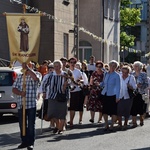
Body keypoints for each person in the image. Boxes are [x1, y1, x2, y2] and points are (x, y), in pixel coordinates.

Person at [12, 62, 40, 150]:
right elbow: (14, 89)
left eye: (29, 65)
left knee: (31, 124)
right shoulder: (20, 76)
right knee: (22, 124)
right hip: (22, 104)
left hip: (31, 103)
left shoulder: (37, 74)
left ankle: (30, 143)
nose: (26, 66)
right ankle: (24, 141)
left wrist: (27, 69)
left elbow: (36, 78)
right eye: (25, 65)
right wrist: (20, 93)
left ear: (32, 66)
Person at [42, 60, 69, 134]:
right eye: (55, 66)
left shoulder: (66, 75)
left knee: (62, 113)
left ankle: (60, 129)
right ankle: (57, 126)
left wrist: (66, 85)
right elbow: (44, 84)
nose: (57, 68)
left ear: (61, 66)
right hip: (52, 96)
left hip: (63, 96)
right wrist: (44, 92)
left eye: (58, 66)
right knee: (53, 113)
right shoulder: (51, 75)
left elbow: (71, 85)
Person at [101, 60, 121, 131]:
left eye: (114, 66)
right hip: (105, 93)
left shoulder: (117, 75)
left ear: (116, 67)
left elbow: (118, 87)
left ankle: (112, 124)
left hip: (113, 94)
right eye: (111, 66)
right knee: (104, 110)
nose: (112, 67)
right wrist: (99, 84)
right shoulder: (106, 74)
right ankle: (106, 124)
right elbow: (104, 83)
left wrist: (118, 97)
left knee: (113, 111)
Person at [117, 65, 137, 130]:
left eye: (126, 72)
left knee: (127, 110)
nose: (124, 74)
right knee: (119, 110)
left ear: (129, 72)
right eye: (123, 72)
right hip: (119, 96)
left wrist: (130, 86)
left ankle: (125, 123)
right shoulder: (119, 76)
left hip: (128, 96)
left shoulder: (131, 77)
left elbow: (134, 87)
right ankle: (120, 123)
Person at [130, 61, 148, 127]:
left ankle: (141, 120)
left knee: (141, 108)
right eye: (134, 66)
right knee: (133, 108)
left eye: (137, 66)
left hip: (141, 93)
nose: (135, 67)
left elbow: (147, 84)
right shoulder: (131, 74)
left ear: (140, 67)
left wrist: (141, 86)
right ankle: (134, 122)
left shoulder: (144, 74)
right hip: (133, 93)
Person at [67, 57, 84, 126]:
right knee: (69, 107)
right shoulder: (66, 71)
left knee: (74, 107)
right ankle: (69, 121)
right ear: (69, 63)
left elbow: (82, 80)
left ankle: (72, 121)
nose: (72, 64)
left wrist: (79, 81)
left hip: (76, 90)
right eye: (71, 62)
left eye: (74, 62)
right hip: (68, 91)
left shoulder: (78, 71)